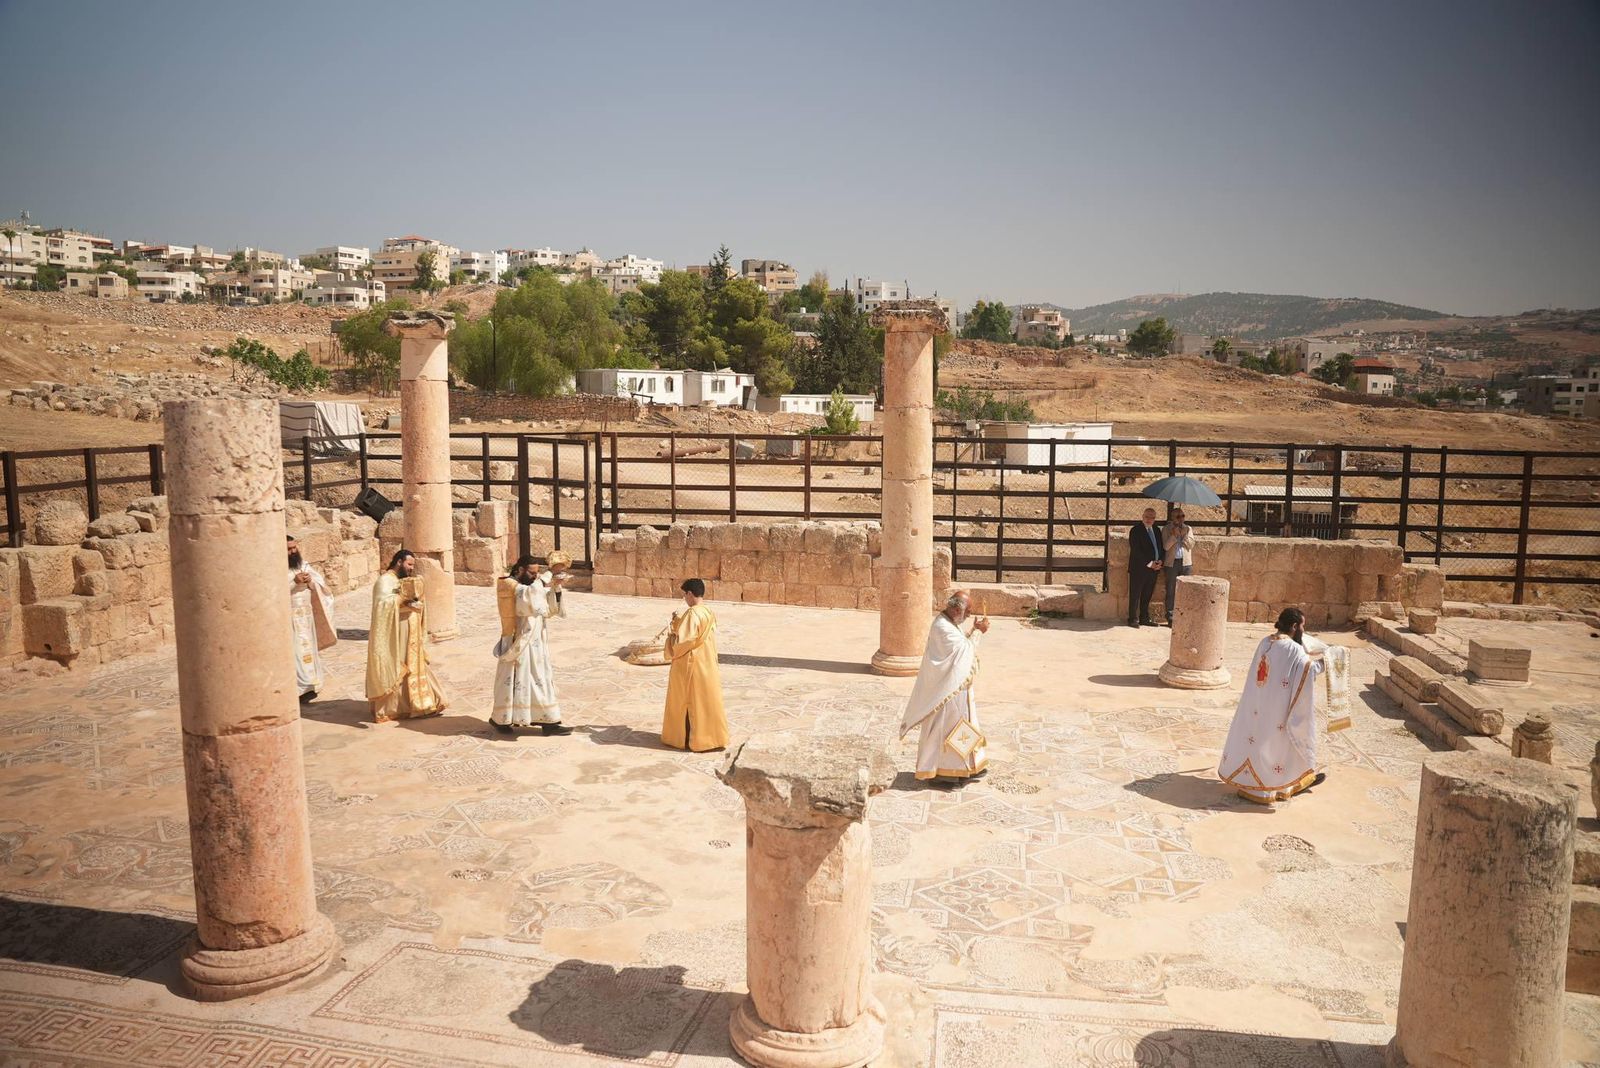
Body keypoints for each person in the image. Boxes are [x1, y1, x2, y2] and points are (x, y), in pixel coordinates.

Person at [1217, 607, 1327, 805]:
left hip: (1259, 702)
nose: (1303, 630)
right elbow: (1307, 670)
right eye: (1303, 626)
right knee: (1280, 743)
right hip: (1278, 707)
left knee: (1257, 740)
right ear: (1295, 626)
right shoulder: (1293, 649)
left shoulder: (1266, 642)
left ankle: (1250, 785)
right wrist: (1326, 663)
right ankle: (1276, 788)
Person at [900, 590, 991, 783]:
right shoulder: (941, 627)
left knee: (964, 727)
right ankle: (943, 773)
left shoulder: (951, 623)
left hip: (957, 688)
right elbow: (962, 652)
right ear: (957, 609)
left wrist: (972, 631)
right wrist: (978, 632)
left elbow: (960, 644)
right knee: (946, 730)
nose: (969, 615)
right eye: (968, 611)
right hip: (946, 693)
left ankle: (968, 767)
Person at [491, 556, 572, 736]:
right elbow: (528, 599)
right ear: (519, 570)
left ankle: (548, 721)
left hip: (536, 642)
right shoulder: (508, 584)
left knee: (539, 679)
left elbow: (545, 608)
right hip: (517, 641)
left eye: (537, 573)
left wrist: (556, 588)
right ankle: (502, 719)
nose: (535, 576)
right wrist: (549, 574)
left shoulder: (530, 585)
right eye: (532, 573)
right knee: (513, 680)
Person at [366, 549, 448, 722]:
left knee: (415, 664)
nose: (411, 568)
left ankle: (421, 703)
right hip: (396, 632)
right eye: (409, 564)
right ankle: (394, 707)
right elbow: (382, 606)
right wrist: (402, 599)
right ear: (399, 562)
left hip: (410, 630)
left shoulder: (401, 579)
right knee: (400, 665)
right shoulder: (384, 581)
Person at [661, 578, 727, 752]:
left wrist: (671, 640)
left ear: (690, 594)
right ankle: (711, 739)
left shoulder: (692, 614)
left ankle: (688, 739)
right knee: (705, 703)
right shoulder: (708, 612)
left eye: (685, 594)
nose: (685, 598)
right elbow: (696, 633)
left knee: (687, 701)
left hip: (692, 665)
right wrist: (678, 622)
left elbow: (684, 641)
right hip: (707, 664)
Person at [287, 534, 336, 704]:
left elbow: (319, 582)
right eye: (289, 549)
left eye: (294, 547)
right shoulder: (276, 568)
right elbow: (273, 592)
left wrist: (310, 580)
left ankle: (311, 684)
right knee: (295, 651)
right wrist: (294, 581)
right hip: (290, 616)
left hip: (306, 616)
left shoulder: (303, 563)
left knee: (309, 648)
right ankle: (300, 688)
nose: (293, 551)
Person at [1127, 507, 1164, 627]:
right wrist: (1149, 563)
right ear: (1142, 516)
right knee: (1135, 594)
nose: (1149, 519)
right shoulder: (1135, 530)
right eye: (1147, 517)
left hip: (1154, 569)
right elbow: (1136, 550)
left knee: (1147, 595)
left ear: (1154, 519)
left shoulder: (1157, 530)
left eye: (1152, 517)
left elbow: (1160, 547)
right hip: (1139, 568)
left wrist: (1160, 561)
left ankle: (1144, 618)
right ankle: (1132, 619)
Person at [1162, 508, 1195, 625]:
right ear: (1172, 518)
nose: (1181, 519)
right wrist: (1174, 536)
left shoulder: (1188, 529)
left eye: (1183, 516)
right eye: (1178, 516)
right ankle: (1170, 616)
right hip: (1172, 563)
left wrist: (1184, 535)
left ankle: (1184, 615)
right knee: (1171, 590)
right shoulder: (1166, 529)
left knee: (1186, 590)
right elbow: (1165, 546)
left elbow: (1191, 545)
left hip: (1185, 563)